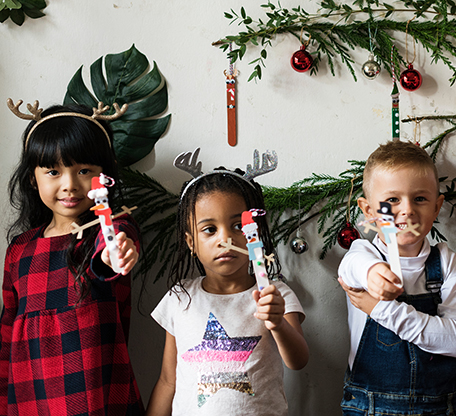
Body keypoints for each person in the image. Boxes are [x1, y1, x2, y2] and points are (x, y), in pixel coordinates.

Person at [1, 101, 143, 415]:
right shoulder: (19, 251)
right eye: (53, 171)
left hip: (99, 400)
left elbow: (112, 253)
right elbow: (6, 337)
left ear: (104, 176)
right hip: (29, 402)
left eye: (84, 171)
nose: (69, 184)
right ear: (32, 178)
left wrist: (114, 255)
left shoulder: (113, 229)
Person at [146, 149, 309, 416]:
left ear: (254, 234)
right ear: (191, 243)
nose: (226, 239)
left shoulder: (274, 293)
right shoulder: (180, 297)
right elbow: (168, 380)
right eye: (210, 229)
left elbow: (298, 360)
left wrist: (277, 323)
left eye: (238, 227)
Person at [336, 140, 456, 415]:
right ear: (368, 211)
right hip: (371, 406)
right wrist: (373, 272)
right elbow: (350, 267)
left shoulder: (446, 262)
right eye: (392, 200)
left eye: (420, 198)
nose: (407, 210)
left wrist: (380, 309)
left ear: (436, 207)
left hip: (443, 408)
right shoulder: (364, 254)